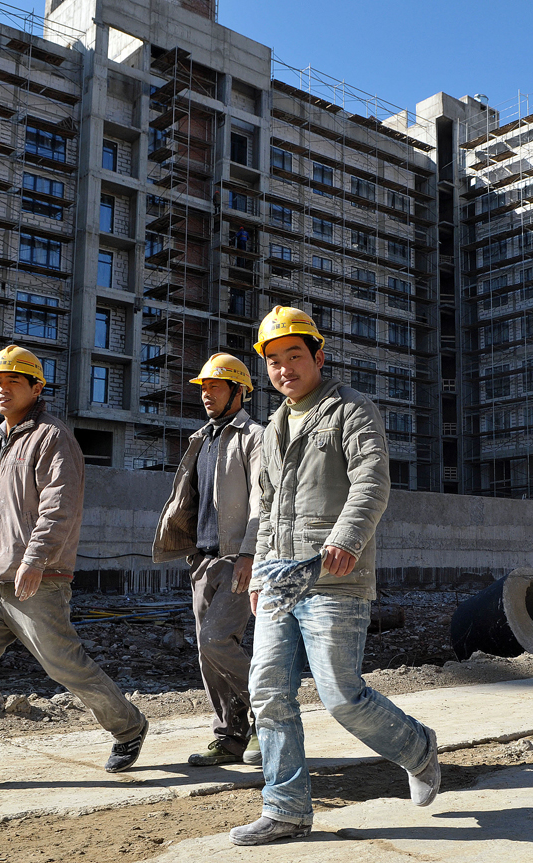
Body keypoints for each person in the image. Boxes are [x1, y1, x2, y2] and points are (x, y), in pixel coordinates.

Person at [229, 306, 440, 846]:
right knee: (268, 693)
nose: (283, 369)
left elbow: (372, 479)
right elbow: (264, 504)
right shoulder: (271, 427)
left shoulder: (351, 411)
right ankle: (287, 810)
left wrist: (346, 538)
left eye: (294, 356)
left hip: (333, 574)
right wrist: (254, 569)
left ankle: (417, 748)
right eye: (273, 360)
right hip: (278, 575)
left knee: (341, 694)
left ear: (318, 356)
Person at [0, 346, 147, 792]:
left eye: (12, 381)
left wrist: (35, 560)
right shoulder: (2, 436)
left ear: (37, 387)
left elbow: (60, 508)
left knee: (65, 667)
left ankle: (128, 726)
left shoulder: (53, 437)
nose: (0, 388)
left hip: (39, 579)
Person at [153, 353, 263, 767]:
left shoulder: (254, 437)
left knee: (215, 640)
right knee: (207, 653)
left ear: (239, 391)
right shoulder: (201, 439)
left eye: (214, 386)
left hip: (237, 559)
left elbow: (262, 500)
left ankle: (267, 720)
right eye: (202, 387)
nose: (206, 394)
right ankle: (229, 735)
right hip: (202, 560)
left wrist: (250, 552)